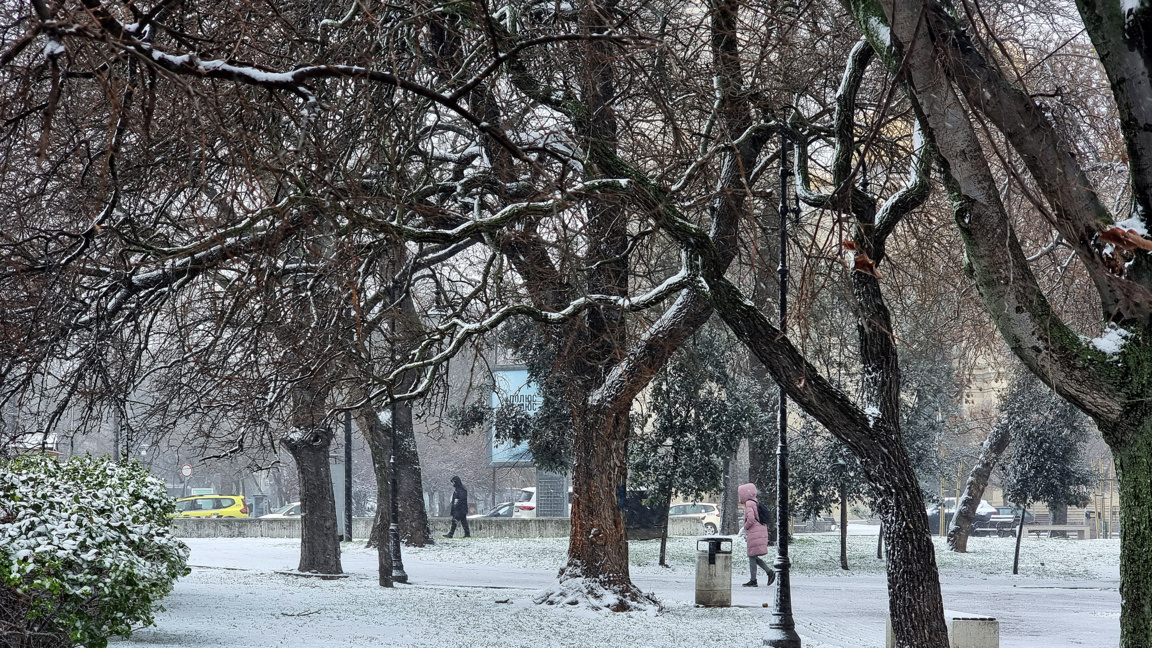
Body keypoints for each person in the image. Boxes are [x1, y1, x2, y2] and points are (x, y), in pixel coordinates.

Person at [738, 482, 774, 587]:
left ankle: (757, 578)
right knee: (753, 556)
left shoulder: (749, 504)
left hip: (755, 532)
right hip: (759, 531)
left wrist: (744, 528)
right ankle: (767, 573)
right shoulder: (755, 502)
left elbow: (751, 519)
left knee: (752, 556)